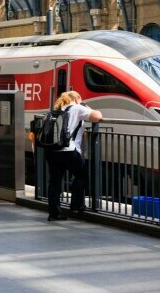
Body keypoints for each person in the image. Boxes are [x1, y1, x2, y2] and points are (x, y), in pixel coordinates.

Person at [47, 91, 102, 221]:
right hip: (69, 150)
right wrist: (88, 107)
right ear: (77, 99)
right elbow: (97, 116)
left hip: (53, 150)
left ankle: (54, 213)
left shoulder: (57, 109)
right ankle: (76, 206)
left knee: (54, 181)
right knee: (81, 175)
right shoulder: (77, 108)